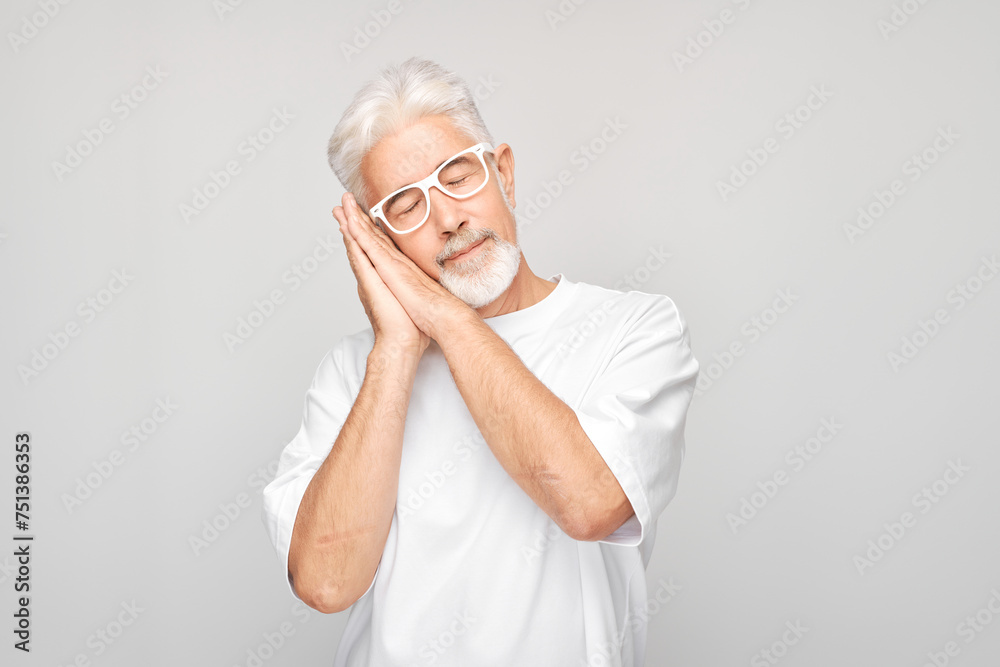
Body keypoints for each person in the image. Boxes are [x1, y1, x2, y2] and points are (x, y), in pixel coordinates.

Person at [261, 56, 700, 667]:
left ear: (505, 175)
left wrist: (445, 318)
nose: (448, 219)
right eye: (406, 207)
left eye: (458, 176)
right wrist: (396, 349)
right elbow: (327, 584)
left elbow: (590, 503)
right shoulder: (352, 371)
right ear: (379, 243)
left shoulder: (634, 328)